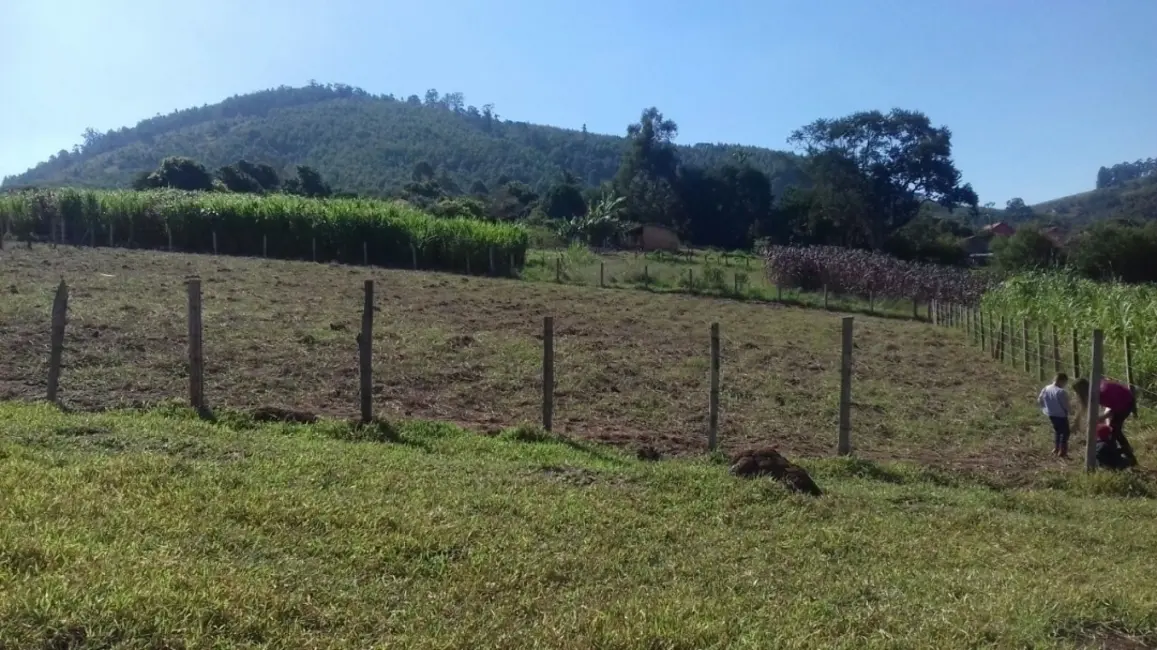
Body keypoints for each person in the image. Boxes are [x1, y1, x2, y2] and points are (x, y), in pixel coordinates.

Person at [1072, 377, 1138, 467]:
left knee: (1114, 430)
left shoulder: (1102, 393)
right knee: (1114, 431)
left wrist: (1103, 417)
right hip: (1118, 401)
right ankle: (1122, 456)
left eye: (1078, 393)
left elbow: (1116, 408)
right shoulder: (1094, 388)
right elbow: (1083, 405)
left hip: (1126, 402)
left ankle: (1123, 459)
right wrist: (1076, 421)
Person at [1037, 373, 1071, 457]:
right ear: (1061, 381)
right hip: (1061, 415)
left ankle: (1056, 448)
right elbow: (1065, 405)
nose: (1065, 385)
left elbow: (1039, 399)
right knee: (1065, 432)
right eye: (1065, 383)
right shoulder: (1061, 392)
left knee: (1058, 431)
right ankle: (1062, 451)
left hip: (1051, 414)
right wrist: (1071, 411)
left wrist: (1045, 408)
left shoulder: (1046, 388)